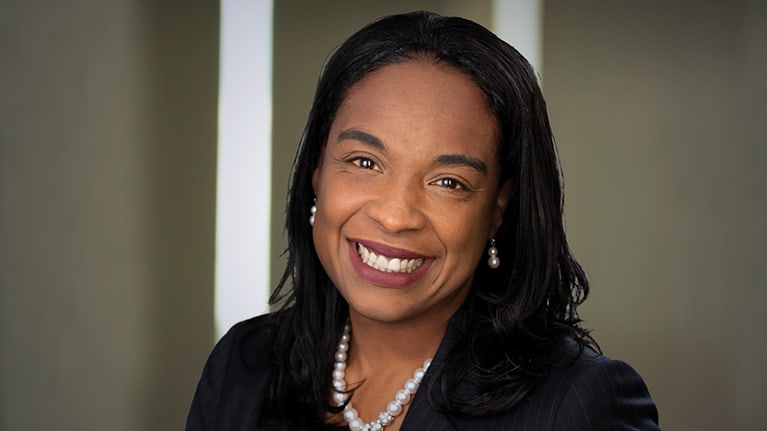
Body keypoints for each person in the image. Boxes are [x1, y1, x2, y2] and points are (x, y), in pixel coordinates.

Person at [186, 10, 659, 431]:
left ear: (498, 207)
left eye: (448, 182)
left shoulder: (579, 404)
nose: (394, 216)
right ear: (317, 169)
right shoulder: (244, 366)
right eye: (364, 162)